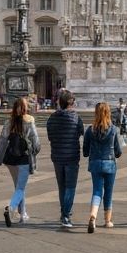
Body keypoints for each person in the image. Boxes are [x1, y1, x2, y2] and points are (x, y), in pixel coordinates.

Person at [0, 97, 40, 227]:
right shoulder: (30, 120)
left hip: (10, 159)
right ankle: (11, 208)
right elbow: (36, 142)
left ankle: (23, 214)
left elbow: (3, 139)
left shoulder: (9, 122)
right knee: (20, 188)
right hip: (23, 158)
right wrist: (34, 152)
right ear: (26, 108)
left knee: (19, 187)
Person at [47, 89, 85, 229]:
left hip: (57, 156)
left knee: (62, 187)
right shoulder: (76, 118)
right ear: (72, 103)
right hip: (71, 157)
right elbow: (81, 133)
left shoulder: (52, 118)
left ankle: (64, 212)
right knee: (70, 187)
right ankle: (66, 215)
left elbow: (50, 136)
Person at [83, 102, 123, 232]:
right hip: (110, 163)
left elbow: (85, 151)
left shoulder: (90, 129)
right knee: (108, 192)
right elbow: (118, 151)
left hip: (95, 163)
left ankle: (93, 216)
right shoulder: (113, 129)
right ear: (108, 113)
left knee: (97, 191)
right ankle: (107, 221)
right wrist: (116, 153)